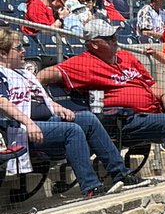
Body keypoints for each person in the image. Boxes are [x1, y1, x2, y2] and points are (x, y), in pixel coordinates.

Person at [0, 27, 140, 198]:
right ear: (3, 53)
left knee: (87, 118)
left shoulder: (24, 74)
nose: (24, 51)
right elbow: (2, 102)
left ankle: (121, 174)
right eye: (18, 48)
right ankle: (90, 187)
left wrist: (61, 109)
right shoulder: (1, 74)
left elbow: (42, 99)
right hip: (21, 128)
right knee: (72, 131)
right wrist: (28, 123)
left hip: (48, 121)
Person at [36, 18, 165, 149]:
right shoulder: (83, 63)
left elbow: (150, 83)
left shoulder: (125, 56)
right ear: (94, 44)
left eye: (115, 35)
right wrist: (39, 95)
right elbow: (45, 74)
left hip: (156, 109)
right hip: (125, 121)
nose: (115, 40)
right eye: (109, 38)